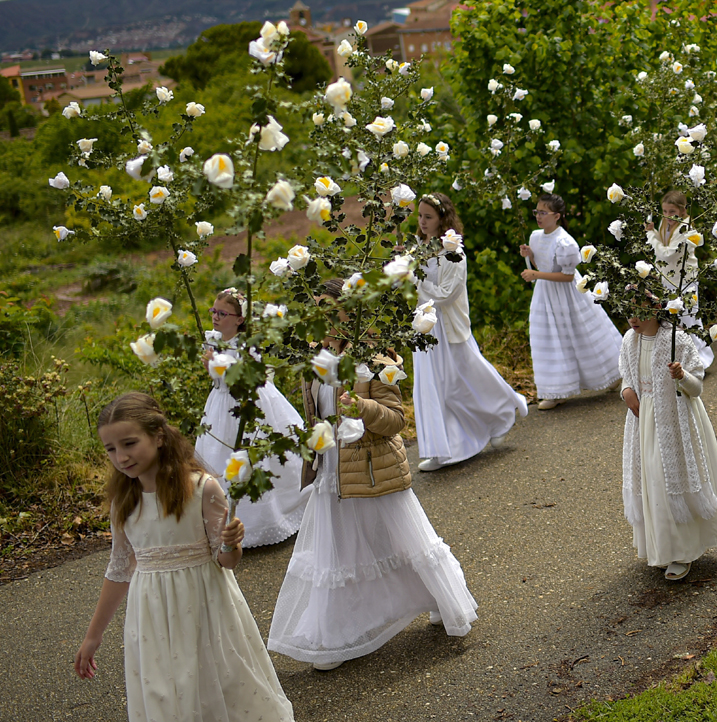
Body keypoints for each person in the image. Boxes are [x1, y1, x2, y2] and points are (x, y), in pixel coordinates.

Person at [267, 279, 478, 671]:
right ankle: (335, 634)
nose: (322, 317)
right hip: (332, 471)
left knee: (400, 539)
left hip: (372, 466)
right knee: (339, 552)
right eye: (315, 308)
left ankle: (436, 597)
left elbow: (396, 419)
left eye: (329, 307)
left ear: (348, 310)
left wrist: (361, 405)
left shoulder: (375, 357)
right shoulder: (315, 358)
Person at [77, 392, 293, 721]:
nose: (121, 457)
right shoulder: (123, 502)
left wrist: (230, 543)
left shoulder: (203, 488)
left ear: (159, 436)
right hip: (151, 615)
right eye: (111, 449)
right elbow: (119, 570)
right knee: (163, 692)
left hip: (205, 606)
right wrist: (93, 636)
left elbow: (225, 562)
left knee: (216, 685)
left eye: (130, 444)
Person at [618, 313, 717, 581]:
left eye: (639, 312)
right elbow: (627, 375)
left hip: (674, 419)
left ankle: (682, 551)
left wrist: (682, 375)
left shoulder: (677, 339)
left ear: (657, 308)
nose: (632, 319)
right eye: (628, 313)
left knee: (670, 478)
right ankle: (662, 546)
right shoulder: (629, 340)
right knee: (651, 480)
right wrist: (627, 390)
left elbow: (696, 388)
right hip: (644, 422)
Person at [411, 193, 527, 471]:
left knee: (462, 379)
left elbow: (447, 294)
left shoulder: (454, 252)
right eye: (420, 216)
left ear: (442, 218)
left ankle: (504, 409)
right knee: (432, 387)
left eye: (429, 217)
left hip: (448, 326)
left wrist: (414, 281)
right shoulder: (418, 247)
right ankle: (445, 449)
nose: (423, 222)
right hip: (424, 325)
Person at [194, 287, 309, 547]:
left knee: (255, 458)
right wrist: (211, 366)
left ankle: (264, 520)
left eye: (222, 313)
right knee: (217, 457)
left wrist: (219, 365)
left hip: (247, 403)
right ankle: (221, 521)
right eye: (214, 311)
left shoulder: (246, 346)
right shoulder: (213, 340)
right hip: (220, 405)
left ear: (239, 319)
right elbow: (218, 378)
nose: (215, 317)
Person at [519, 193, 623, 409]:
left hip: (568, 293)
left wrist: (536, 275)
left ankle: (614, 374)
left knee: (583, 333)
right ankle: (556, 390)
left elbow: (567, 276)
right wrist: (531, 255)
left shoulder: (565, 242)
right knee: (549, 338)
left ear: (556, 216)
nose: (538, 216)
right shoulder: (536, 236)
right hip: (546, 294)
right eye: (536, 211)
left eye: (543, 212)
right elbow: (544, 266)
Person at [645, 190, 714, 369]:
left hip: (685, 280)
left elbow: (666, 254)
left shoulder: (686, 229)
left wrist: (650, 235)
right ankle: (684, 361)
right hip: (669, 280)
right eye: (665, 211)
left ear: (683, 211)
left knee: (689, 320)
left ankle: (700, 361)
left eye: (672, 212)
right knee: (675, 322)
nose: (668, 216)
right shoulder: (664, 223)